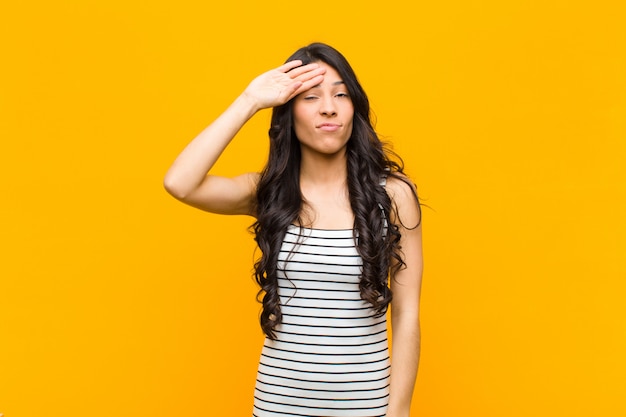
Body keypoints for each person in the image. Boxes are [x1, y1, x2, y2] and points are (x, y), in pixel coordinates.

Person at [164, 42, 423, 417]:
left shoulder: (393, 195)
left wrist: (398, 412)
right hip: (278, 406)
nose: (329, 107)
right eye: (310, 97)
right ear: (288, 114)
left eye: (340, 94)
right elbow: (180, 183)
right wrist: (250, 100)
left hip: (366, 406)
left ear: (354, 109)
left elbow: (408, 314)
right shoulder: (268, 193)